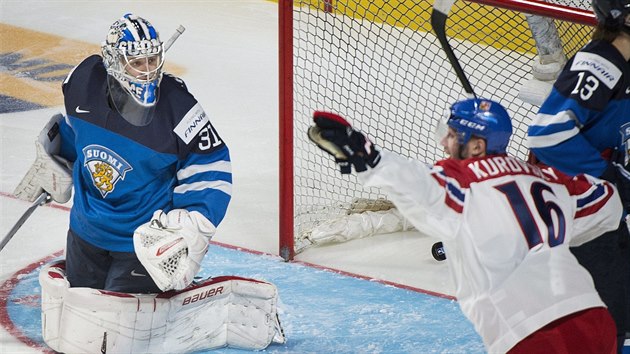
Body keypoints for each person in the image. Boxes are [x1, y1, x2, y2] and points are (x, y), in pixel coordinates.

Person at [308, 98, 622, 353]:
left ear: (476, 147)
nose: (445, 142)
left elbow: (421, 185)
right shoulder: (549, 179)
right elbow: (608, 201)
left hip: (532, 334)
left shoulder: (465, 182)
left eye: (454, 134)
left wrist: (369, 156)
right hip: (594, 318)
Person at [14, 13, 232, 294]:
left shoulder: (179, 107)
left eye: (152, 61)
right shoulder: (83, 81)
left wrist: (194, 220)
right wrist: (56, 161)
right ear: (113, 61)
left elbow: (212, 165)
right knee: (79, 312)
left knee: (114, 321)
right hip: (86, 231)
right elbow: (75, 131)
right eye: (137, 63)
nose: (147, 71)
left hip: (144, 243)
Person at [526, 0, 630, 350]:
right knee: (610, 295)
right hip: (573, 202)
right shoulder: (599, 64)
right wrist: (607, 175)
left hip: (596, 199)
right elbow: (546, 135)